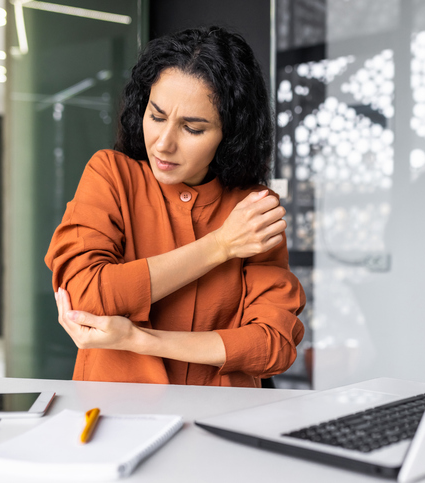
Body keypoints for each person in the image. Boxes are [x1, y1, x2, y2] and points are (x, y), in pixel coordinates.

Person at [45, 26, 306, 387]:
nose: (163, 144)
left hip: (219, 420)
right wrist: (220, 245)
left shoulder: (253, 209)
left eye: (192, 129)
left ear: (230, 135)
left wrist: (139, 340)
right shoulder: (111, 174)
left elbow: (273, 345)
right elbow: (85, 294)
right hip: (113, 415)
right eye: (156, 116)